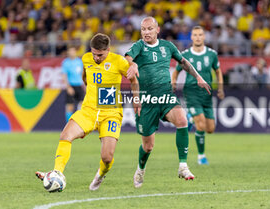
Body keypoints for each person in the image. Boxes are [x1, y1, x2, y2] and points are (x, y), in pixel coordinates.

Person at [35, 33, 139, 191]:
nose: (96, 58)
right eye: (94, 53)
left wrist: (136, 99)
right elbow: (85, 75)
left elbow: (133, 80)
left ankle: (101, 174)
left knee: (107, 157)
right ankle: (57, 172)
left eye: (100, 55)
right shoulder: (86, 58)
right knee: (65, 135)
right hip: (89, 110)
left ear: (108, 50)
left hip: (110, 113)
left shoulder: (118, 61)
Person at [125, 17, 211, 188]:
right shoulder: (139, 46)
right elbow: (127, 57)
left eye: (149, 29)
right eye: (143, 29)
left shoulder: (167, 46)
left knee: (182, 120)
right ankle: (140, 169)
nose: (146, 32)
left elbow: (183, 62)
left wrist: (198, 77)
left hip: (166, 95)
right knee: (148, 146)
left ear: (157, 30)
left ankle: (183, 166)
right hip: (146, 100)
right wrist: (132, 64)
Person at [172, 26, 224, 165]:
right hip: (191, 92)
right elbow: (176, 71)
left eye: (200, 34)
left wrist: (220, 88)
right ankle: (201, 156)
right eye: (195, 35)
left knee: (210, 129)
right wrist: (173, 83)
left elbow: (218, 71)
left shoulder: (212, 54)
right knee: (201, 126)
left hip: (206, 93)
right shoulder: (186, 54)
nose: (198, 37)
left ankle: (190, 118)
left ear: (204, 37)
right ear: (192, 37)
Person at [61, 46, 85, 122]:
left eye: (72, 51)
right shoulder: (65, 62)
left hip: (79, 86)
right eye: (70, 51)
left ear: (75, 52)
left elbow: (83, 74)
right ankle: (68, 126)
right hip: (71, 86)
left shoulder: (80, 62)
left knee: (82, 106)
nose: (71, 52)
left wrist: (85, 85)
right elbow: (64, 76)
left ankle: (80, 124)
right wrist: (68, 87)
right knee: (69, 107)